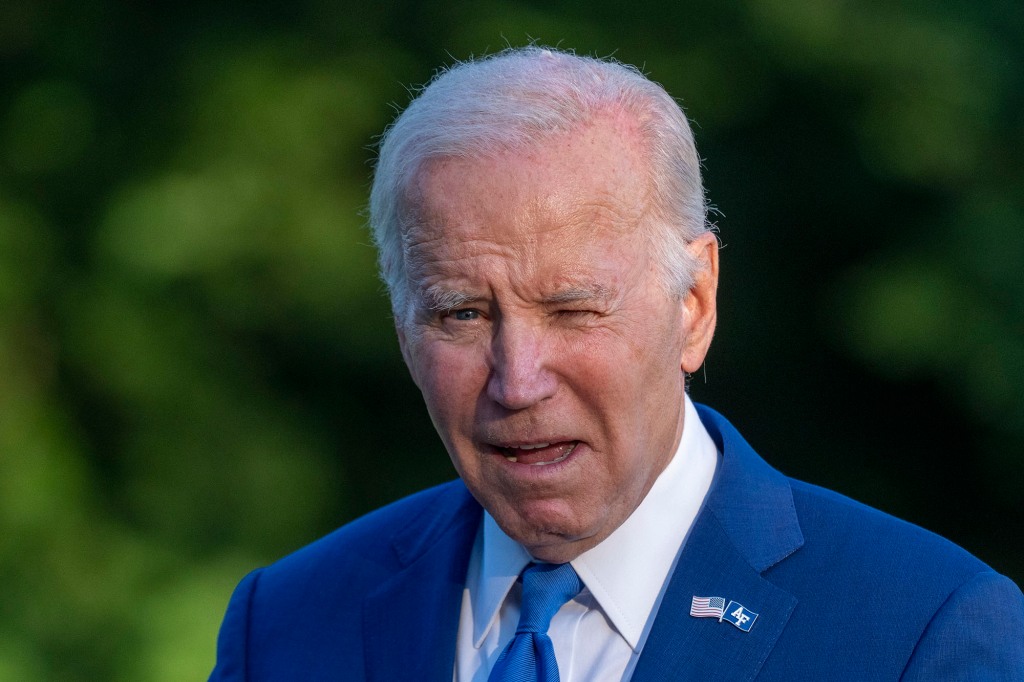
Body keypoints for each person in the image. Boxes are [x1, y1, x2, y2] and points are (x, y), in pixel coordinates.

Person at [209, 46, 1024, 681]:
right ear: (402, 329)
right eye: (462, 314)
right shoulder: (286, 625)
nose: (518, 380)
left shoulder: (924, 630)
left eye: (572, 309)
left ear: (694, 303)